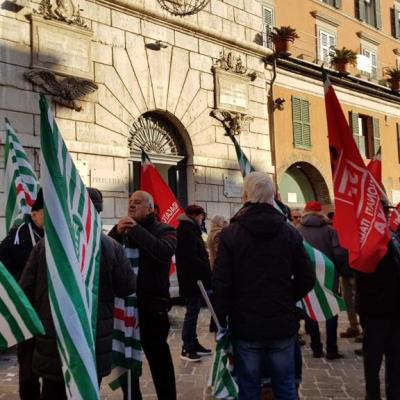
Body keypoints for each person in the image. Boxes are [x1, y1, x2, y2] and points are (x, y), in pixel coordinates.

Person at [19, 187, 137, 399]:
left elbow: (24, 292)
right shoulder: (110, 247)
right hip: (91, 343)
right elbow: (127, 287)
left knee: (53, 393)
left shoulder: (46, 246)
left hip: (54, 342)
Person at [212, 172, 315, 400]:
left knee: (249, 387)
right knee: (286, 386)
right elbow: (307, 278)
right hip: (281, 322)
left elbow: (222, 284)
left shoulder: (230, 234)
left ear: (246, 195)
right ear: (272, 197)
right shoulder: (290, 232)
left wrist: (221, 320)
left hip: (245, 324)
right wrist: (287, 298)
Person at [108, 190, 177, 400]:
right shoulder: (122, 230)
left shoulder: (165, 230)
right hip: (123, 308)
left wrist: (135, 230)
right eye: (130, 202)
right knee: (124, 357)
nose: (131, 205)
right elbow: (104, 254)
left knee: (159, 360)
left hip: (150, 307)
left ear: (150, 208)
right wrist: (117, 234)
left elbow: (163, 252)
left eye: (137, 202)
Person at [0, 191, 44, 400]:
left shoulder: (58, 235)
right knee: (28, 367)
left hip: (52, 313)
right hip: (27, 309)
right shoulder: (16, 238)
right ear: (34, 214)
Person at [355, 202, 400, 400]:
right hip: (381, 309)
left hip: (379, 310)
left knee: (380, 361)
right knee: (384, 361)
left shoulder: (380, 240)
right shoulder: (371, 242)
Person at [298, 201, 347, 360]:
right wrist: (337, 269)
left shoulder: (298, 231)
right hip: (329, 275)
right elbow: (339, 253)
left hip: (306, 276)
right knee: (331, 311)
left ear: (305, 213)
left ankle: (316, 348)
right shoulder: (330, 231)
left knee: (310, 310)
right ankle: (332, 349)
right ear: (321, 214)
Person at [175, 204, 213, 362]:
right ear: (197, 215)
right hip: (192, 279)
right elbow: (191, 258)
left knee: (194, 311)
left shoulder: (190, 228)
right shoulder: (186, 230)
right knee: (191, 312)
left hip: (194, 278)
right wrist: (206, 269)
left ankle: (193, 343)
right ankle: (187, 347)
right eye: (202, 216)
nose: (202, 219)